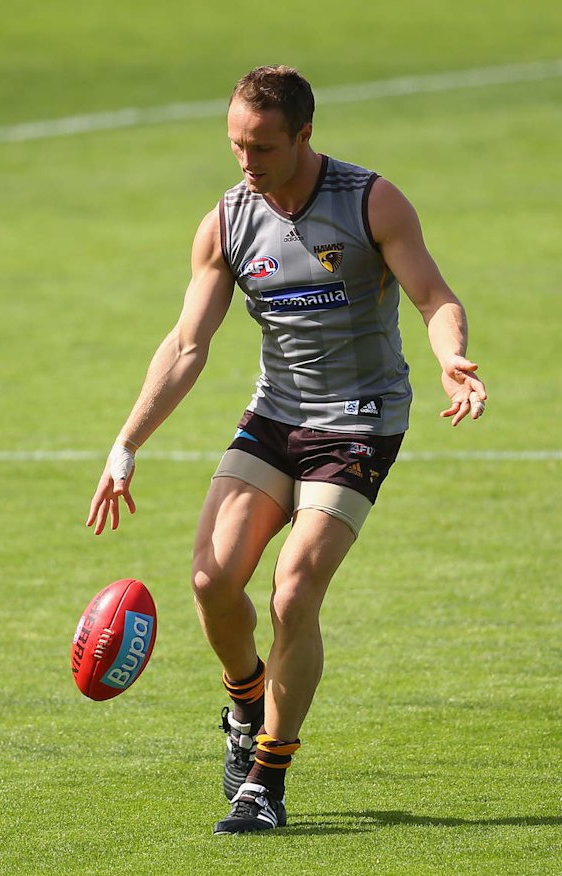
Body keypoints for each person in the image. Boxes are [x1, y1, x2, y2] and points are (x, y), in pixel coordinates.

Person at [87, 65, 487, 835]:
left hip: (360, 420)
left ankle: (265, 778)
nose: (247, 160)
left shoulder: (370, 201)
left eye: (263, 145)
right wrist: (127, 442)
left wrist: (452, 357)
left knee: (294, 588)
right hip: (275, 416)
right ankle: (246, 701)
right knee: (210, 580)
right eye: (236, 144)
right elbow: (187, 344)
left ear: (305, 134)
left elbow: (434, 296)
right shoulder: (228, 221)